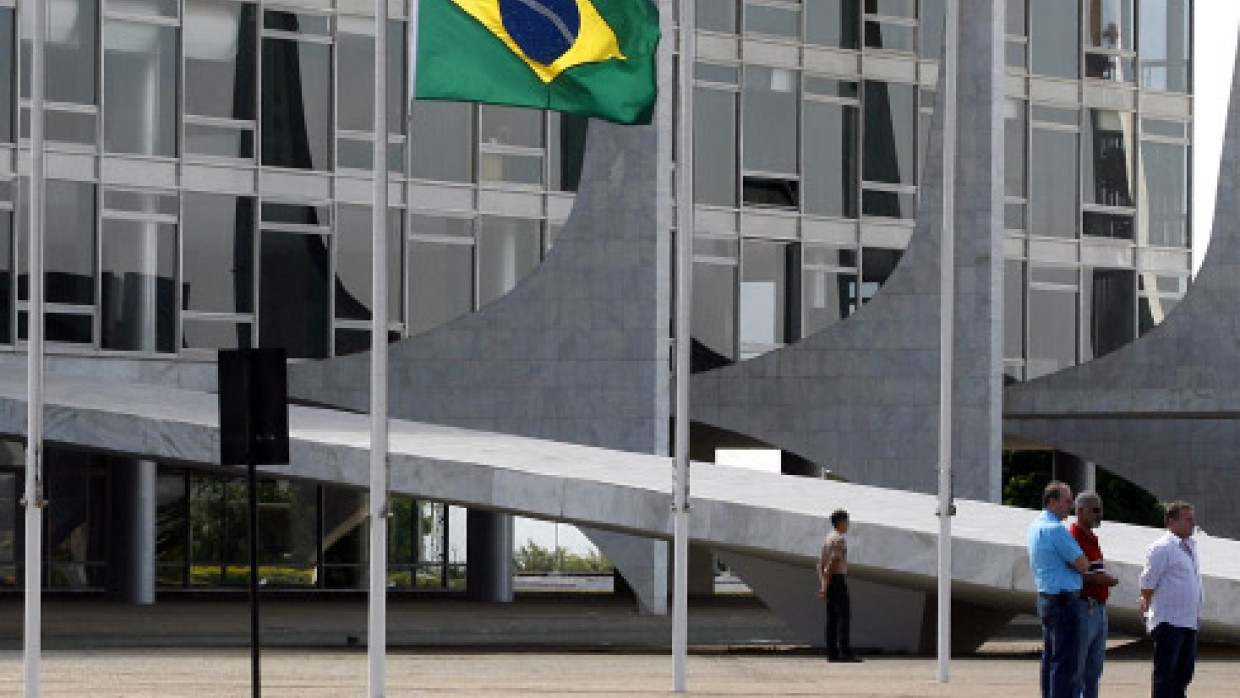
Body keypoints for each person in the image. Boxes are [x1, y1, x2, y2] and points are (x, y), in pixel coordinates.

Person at [1027, 481, 1090, 698]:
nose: (1070, 506)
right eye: (1066, 501)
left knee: (1051, 658)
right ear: (1052, 501)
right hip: (1065, 600)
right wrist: (1078, 563)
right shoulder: (1056, 530)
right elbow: (1082, 563)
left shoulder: (1035, 526)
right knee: (1066, 662)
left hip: (1046, 597)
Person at [1139, 501, 1203, 698]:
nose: (1193, 523)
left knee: (1183, 673)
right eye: (1188, 519)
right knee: (1165, 674)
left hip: (1188, 621)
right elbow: (1148, 582)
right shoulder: (1162, 548)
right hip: (1169, 621)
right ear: (1171, 522)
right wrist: (1147, 602)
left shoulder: (1190, 547)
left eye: (1193, 519)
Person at [1070, 491, 1120, 698]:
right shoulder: (1073, 537)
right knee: (1078, 669)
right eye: (1095, 510)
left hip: (1098, 608)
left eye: (1100, 510)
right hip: (1083, 607)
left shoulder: (1091, 538)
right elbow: (1071, 575)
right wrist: (1099, 580)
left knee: (1094, 669)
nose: (1099, 515)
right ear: (1080, 511)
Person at [816, 508, 860, 662]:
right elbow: (832, 563)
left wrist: (823, 584)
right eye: (847, 522)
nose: (848, 525)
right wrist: (825, 585)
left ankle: (832, 653)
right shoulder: (839, 539)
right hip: (837, 581)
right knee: (844, 617)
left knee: (832, 619)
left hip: (830, 580)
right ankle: (844, 652)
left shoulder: (828, 538)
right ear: (840, 523)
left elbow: (820, 564)